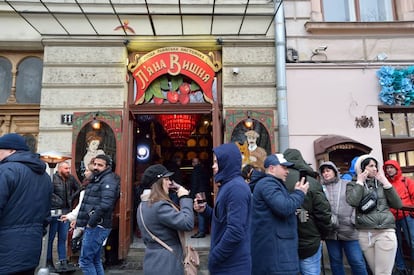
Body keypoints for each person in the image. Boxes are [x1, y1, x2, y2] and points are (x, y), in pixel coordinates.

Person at [194, 143, 252, 274]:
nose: (213, 166)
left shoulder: (236, 188)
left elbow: (236, 231)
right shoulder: (227, 185)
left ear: (227, 162)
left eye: (216, 162)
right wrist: (206, 210)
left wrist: (215, 256)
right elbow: (222, 219)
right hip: (227, 264)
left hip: (233, 266)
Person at [0, 133, 53, 274]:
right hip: (31, 250)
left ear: (12, 151)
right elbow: (46, 216)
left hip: (5, 252)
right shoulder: (45, 177)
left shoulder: (5, 170)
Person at [251, 153, 309, 274]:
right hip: (275, 257)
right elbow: (284, 207)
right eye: (284, 167)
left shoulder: (271, 183)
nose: (287, 171)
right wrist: (299, 193)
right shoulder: (268, 184)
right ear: (272, 168)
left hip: (276, 255)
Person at [346, 154, 403, 275]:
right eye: (371, 166)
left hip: (384, 231)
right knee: (376, 271)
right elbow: (353, 201)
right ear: (362, 168)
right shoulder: (352, 184)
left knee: (382, 273)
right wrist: (360, 182)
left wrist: (386, 183)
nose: (375, 169)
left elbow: (398, 204)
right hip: (365, 234)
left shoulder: (382, 184)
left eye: (376, 166)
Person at [136, 164, 194, 275]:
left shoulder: (142, 205)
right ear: (157, 183)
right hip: (167, 263)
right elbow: (187, 223)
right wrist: (184, 197)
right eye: (166, 179)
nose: (169, 183)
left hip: (152, 260)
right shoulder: (159, 206)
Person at [283, 148, 333, 275]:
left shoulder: (278, 181)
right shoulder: (311, 182)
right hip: (309, 240)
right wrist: (323, 234)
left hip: (284, 241)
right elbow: (323, 213)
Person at [319, 161, 368, 275]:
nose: (326, 173)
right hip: (330, 231)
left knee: (357, 261)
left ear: (335, 171)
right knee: (335, 262)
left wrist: (353, 219)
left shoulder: (347, 184)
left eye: (328, 170)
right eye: (323, 172)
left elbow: (356, 202)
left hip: (349, 230)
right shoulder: (320, 188)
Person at [75, 154, 120, 275]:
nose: (96, 167)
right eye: (94, 164)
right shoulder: (97, 178)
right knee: (95, 260)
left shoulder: (108, 180)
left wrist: (91, 222)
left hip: (97, 226)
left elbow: (105, 204)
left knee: (85, 261)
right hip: (95, 225)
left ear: (107, 167)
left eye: (100, 165)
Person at [47, 160, 80, 272]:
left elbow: (80, 189)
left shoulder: (70, 178)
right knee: (50, 238)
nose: (68, 170)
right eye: (66, 168)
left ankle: (63, 261)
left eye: (69, 168)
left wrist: (72, 197)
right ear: (59, 168)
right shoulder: (52, 178)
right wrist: (57, 201)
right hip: (54, 212)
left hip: (66, 212)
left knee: (63, 238)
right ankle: (48, 261)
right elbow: (48, 193)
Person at [383, 159, 414, 274]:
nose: (389, 170)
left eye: (391, 167)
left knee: (413, 241)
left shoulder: (406, 181)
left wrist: (412, 212)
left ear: (396, 168)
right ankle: (401, 268)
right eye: (387, 168)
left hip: (407, 216)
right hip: (392, 217)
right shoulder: (385, 183)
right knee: (395, 244)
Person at [60, 161, 95, 247]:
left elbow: (83, 206)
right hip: (84, 220)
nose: (84, 172)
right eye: (66, 168)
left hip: (90, 223)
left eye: (87, 170)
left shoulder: (90, 187)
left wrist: (71, 216)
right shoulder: (87, 185)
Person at [189, 157, 211, 238]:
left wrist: (191, 195)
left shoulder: (195, 171)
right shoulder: (204, 170)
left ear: (195, 163)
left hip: (199, 193)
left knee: (200, 211)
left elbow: (195, 184)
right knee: (205, 210)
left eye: (193, 162)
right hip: (206, 192)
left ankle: (201, 231)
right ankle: (206, 229)